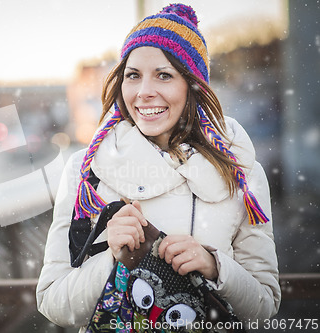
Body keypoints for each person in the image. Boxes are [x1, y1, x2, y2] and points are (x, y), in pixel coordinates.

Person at [36, 3, 280, 331]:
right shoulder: (86, 171)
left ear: (193, 87)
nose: (144, 92)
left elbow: (264, 307)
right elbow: (53, 303)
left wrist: (215, 267)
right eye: (133, 75)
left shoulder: (240, 171)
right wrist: (112, 258)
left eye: (164, 75)